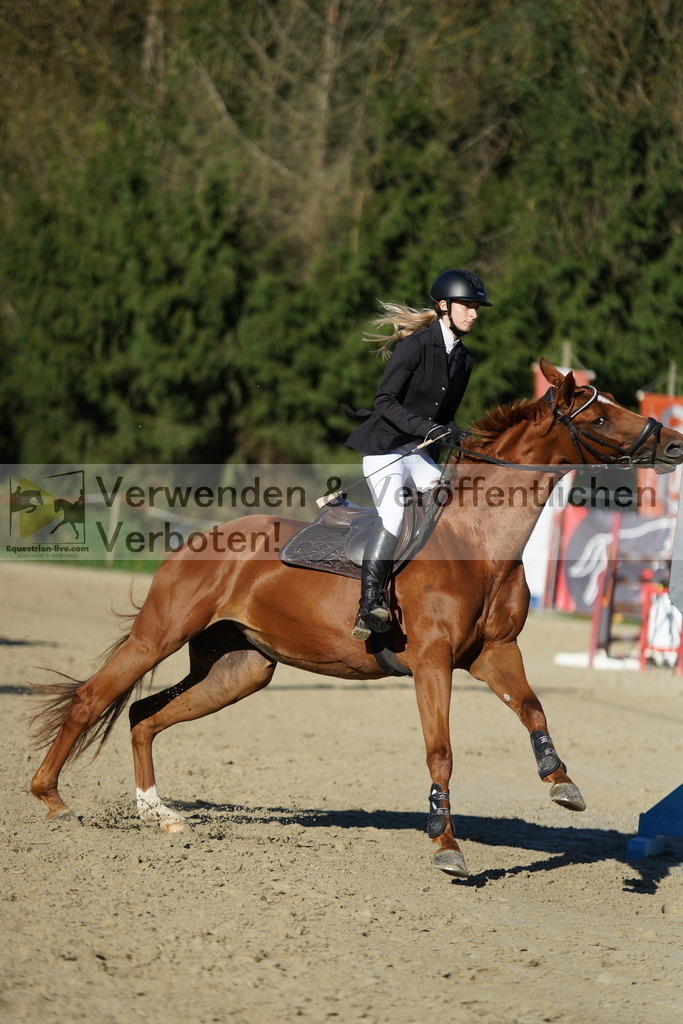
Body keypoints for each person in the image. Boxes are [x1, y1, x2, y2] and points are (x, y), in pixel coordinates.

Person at [344, 269, 492, 640]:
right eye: (467, 306)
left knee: (453, 507)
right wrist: (427, 428)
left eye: (476, 308)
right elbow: (384, 401)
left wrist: (459, 435)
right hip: (386, 452)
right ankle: (369, 603)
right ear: (444, 306)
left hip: (419, 457)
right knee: (394, 513)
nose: (474, 314)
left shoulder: (465, 360)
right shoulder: (415, 345)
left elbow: (445, 416)